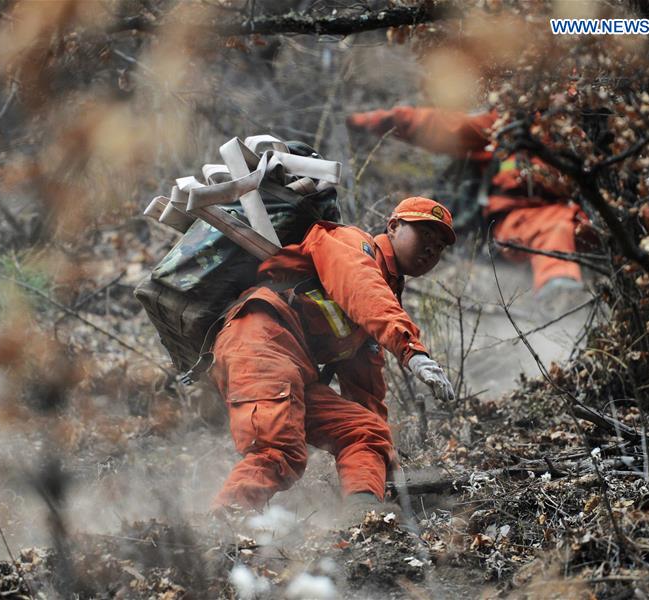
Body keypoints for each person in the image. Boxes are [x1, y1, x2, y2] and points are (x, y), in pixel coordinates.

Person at [210, 196, 455, 515]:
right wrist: (411, 352)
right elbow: (363, 289)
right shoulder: (350, 244)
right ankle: (223, 529)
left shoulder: (376, 307)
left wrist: (384, 466)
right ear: (393, 227)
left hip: (294, 369)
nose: (430, 250)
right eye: (425, 237)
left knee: (366, 430)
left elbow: (365, 389)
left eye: (438, 247)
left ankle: (364, 519)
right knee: (279, 447)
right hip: (258, 342)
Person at [346, 105, 592, 306]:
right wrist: (371, 120)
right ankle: (560, 296)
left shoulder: (590, 131)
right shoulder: (506, 125)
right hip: (514, 222)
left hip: (575, 219)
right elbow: (437, 125)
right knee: (555, 225)